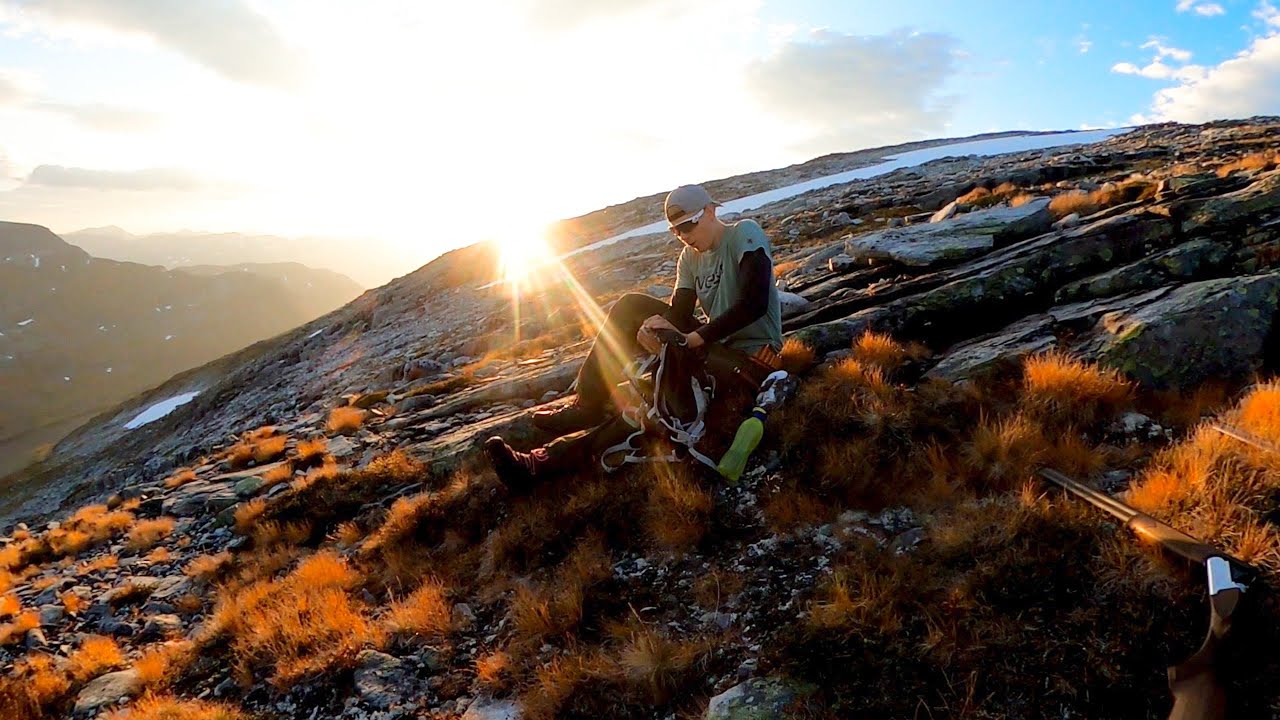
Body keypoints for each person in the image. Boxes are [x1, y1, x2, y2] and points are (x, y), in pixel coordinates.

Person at [484, 183, 783, 490]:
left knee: (651, 409)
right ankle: (588, 403)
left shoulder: (744, 234)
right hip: (713, 349)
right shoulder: (689, 258)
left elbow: (754, 304)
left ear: (709, 211)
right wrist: (654, 328)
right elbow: (680, 314)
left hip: (750, 358)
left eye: (688, 225)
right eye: (676, 230)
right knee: (630, 308)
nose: (684, 235)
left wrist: (692, 339)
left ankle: (539, 464)